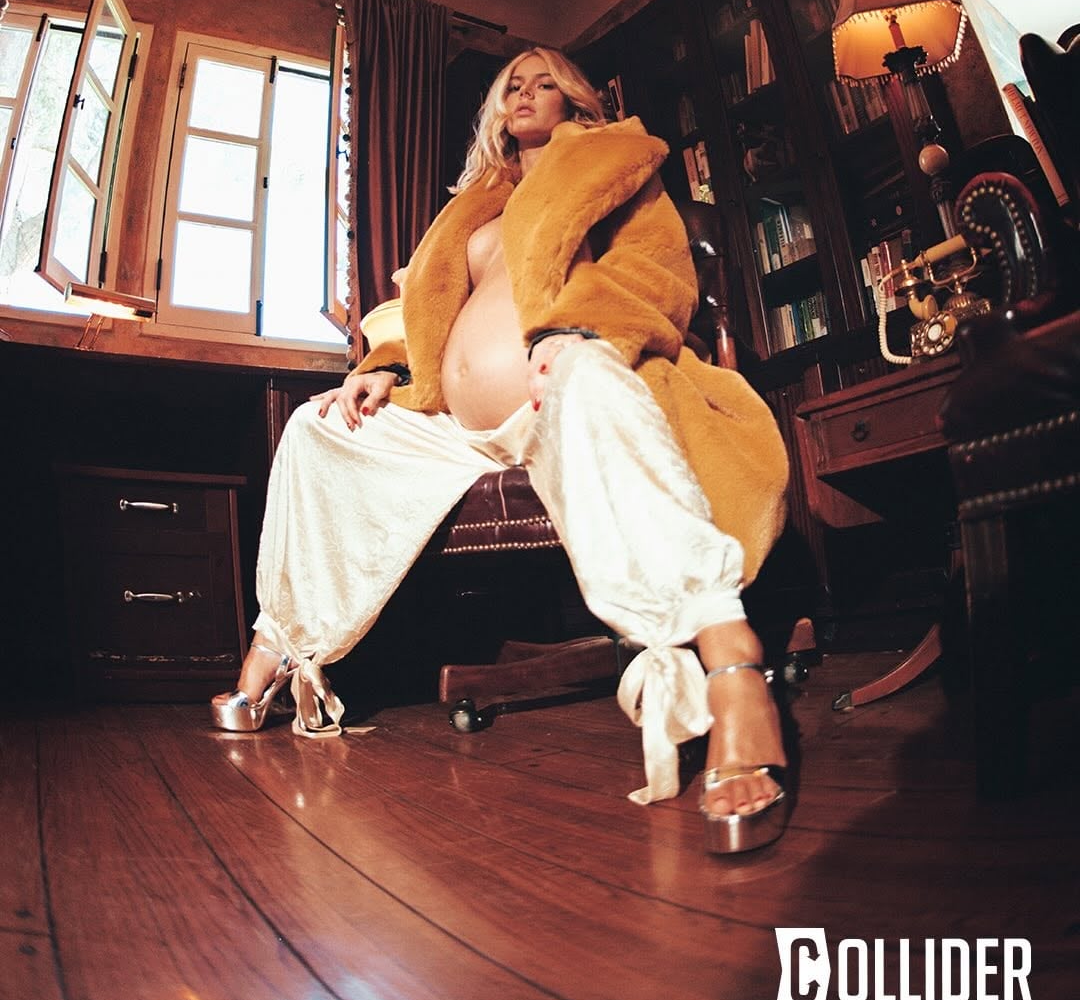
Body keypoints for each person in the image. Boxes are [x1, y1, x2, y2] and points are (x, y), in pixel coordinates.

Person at [211, 47, 791, 854]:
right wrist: (387, 368)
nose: (525, 92)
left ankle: (733, 667)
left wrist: (576, 332)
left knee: (589, 375)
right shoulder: (476, 202)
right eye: (512, 84)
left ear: (577, 100)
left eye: (545, 81)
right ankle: (281, 652)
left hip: (557, 393)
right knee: (319, 426)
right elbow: (429, 314)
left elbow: (656, 270)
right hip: (461, 430)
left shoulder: (615, 158)